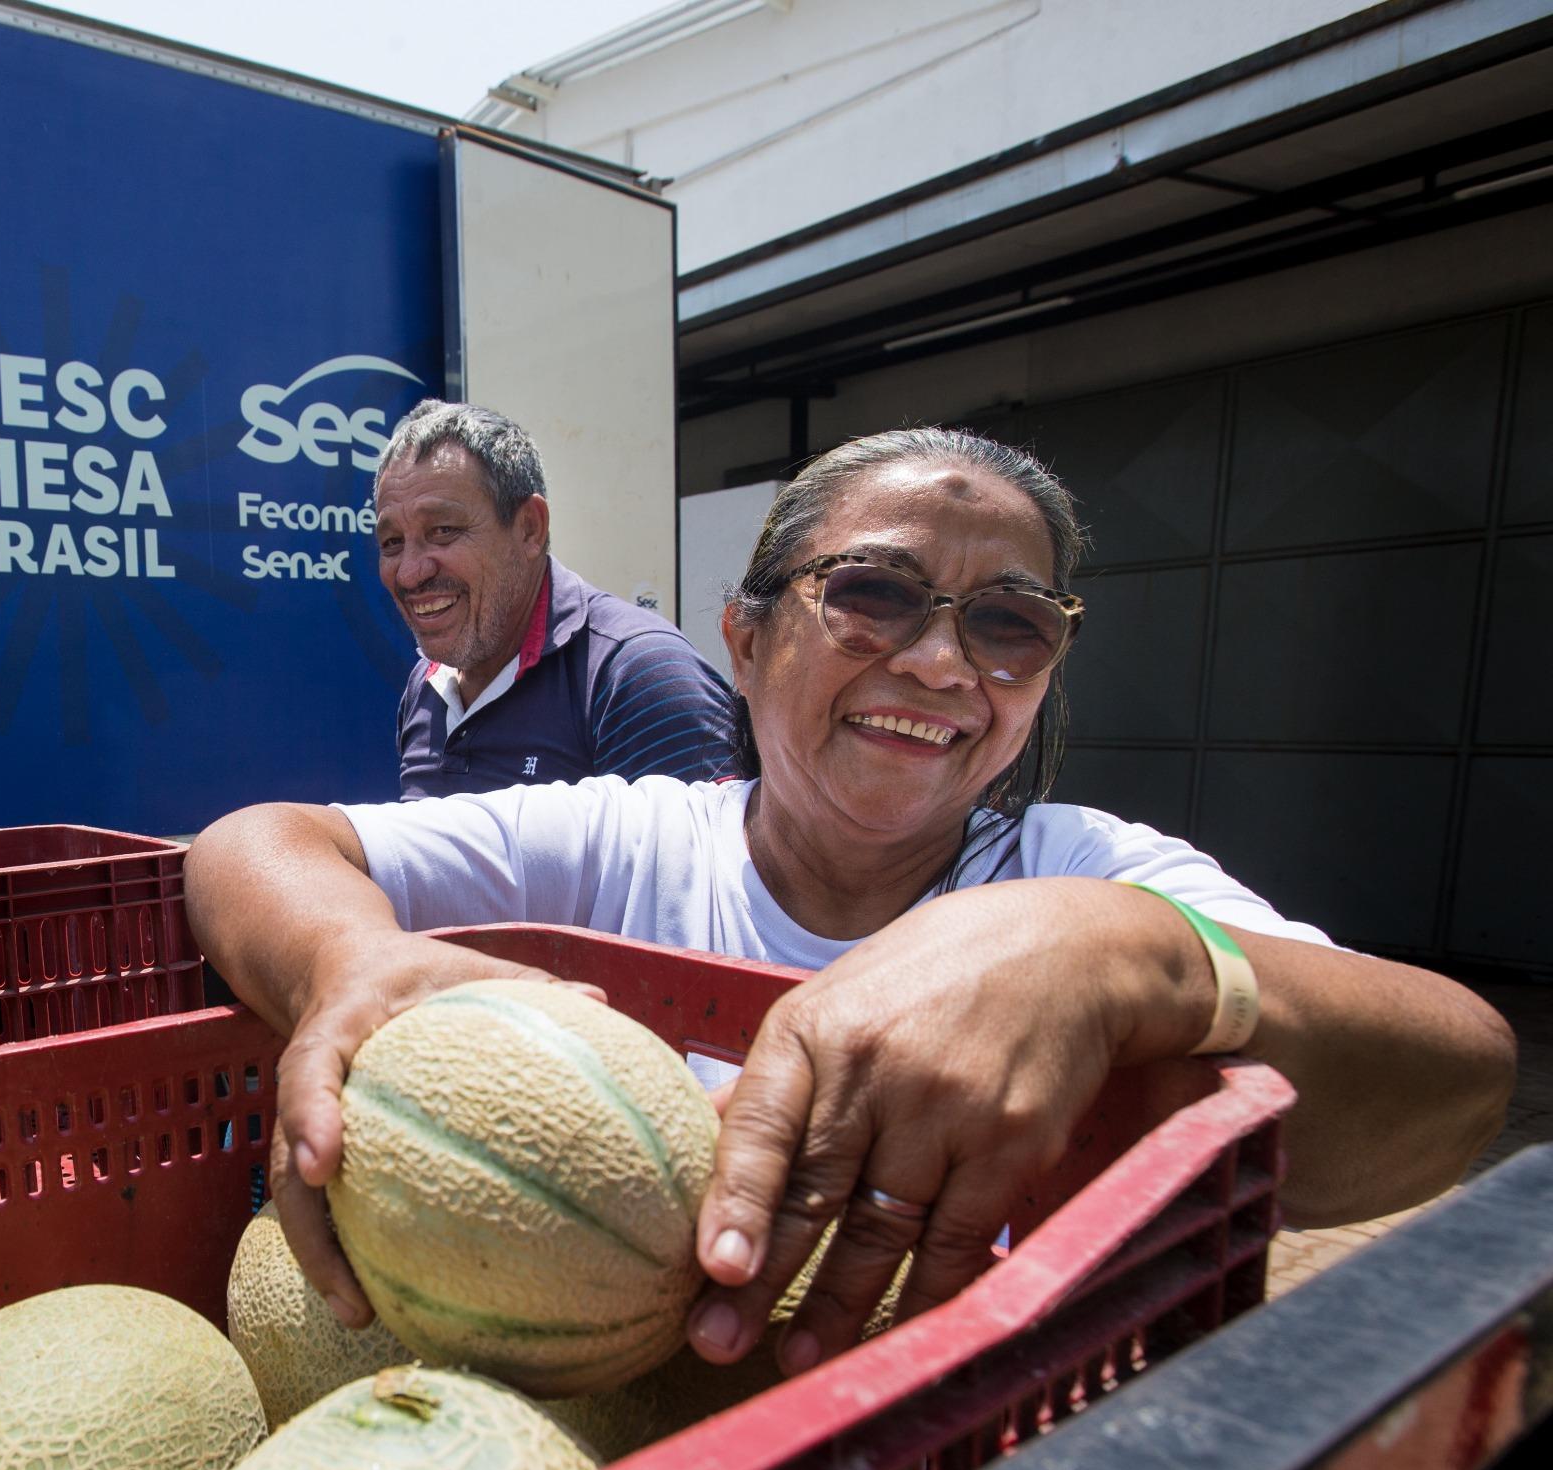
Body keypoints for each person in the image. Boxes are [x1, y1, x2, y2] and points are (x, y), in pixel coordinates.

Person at [189, 426, 1517, 1384]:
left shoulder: (1089, 873)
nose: (942, 661)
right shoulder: (628, 839)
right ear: (748, 639)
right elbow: (255, 846)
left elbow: (1459, 1080)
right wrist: (342, 963)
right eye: (875, 595)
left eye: (1011, 625)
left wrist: (1127, 954)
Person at [375, 400, 738, 799]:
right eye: (392, 542)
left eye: (443, 530)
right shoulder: (427, 682)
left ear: (530, 528)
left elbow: (705, 858)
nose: (409, 573)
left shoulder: (639, 678)